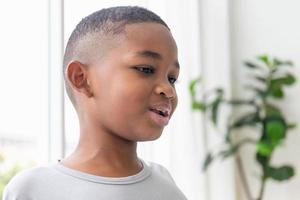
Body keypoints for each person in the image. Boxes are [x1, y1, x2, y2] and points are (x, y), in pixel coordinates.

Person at [3, 6, 186, 200]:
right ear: (81, 78)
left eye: (172, 78)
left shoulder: (166, 186)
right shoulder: (32, 190)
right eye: (145, 69)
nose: (168, 90)